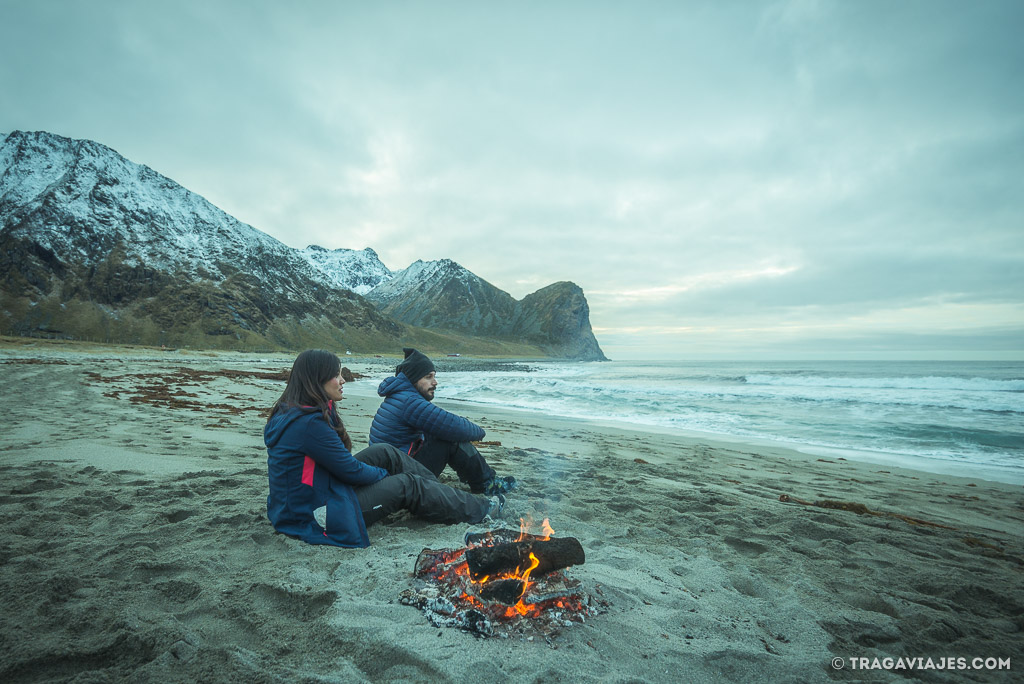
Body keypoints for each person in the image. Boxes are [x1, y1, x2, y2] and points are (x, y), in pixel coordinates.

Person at [264, 349, 502, 548]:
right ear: (317, 379)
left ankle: (440, 496)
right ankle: (482, 509)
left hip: (318, 492)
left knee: (385, 451)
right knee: (407, 483)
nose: (343, 380)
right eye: (337, 375)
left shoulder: (297, 410)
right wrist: (386, 477)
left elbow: (339, 465)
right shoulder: (307, 424)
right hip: (316, 512)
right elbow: (350, 471)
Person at [369, 348, 517, 497]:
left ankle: (480, 479)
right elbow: (455, 426)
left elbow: (440, 421)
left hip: (391, 470)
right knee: (449, 439)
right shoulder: (410, 402)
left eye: (434, 376)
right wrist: (480, 432)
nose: (435, 382)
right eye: (428, 377)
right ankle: (486, 484)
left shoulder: (400, 395)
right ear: (413, 379)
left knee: (436, 432)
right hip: (399, 478)